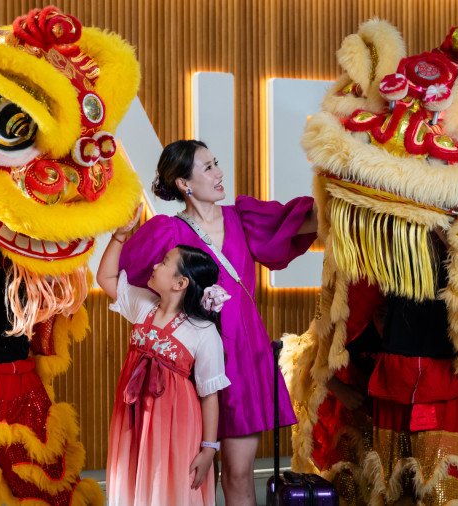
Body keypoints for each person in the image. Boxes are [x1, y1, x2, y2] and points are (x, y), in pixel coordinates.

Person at [118, 140, 317, 505]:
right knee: (190, 476)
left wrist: (347, 181)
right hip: (189, 366)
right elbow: (124, 277)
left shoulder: (242, 218)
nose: (219, 173)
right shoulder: (167, 231)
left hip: (244, 358)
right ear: (184, 183)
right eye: (208, 167)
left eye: (217, 163)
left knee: (239, 476)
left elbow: (307, 222)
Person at [98, 206, 232, 506]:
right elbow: (106, 277)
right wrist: (120, 236)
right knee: (135, 481)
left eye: (164, 262)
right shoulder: (144, 305)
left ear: (180, 283)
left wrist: (209, 448)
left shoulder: (203, 331)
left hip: (176, 425)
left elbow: (210, 395)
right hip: (134, 418)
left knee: (168, 486)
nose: (155, 266)